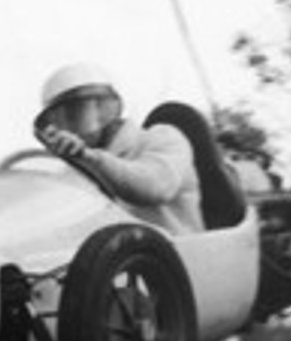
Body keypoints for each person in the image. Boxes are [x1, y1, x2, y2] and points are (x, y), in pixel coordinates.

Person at [34, 63, 204, 234]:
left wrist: (88, 157)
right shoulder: (74, 171)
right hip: (118, 258)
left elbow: (155, 187)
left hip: (186, 255)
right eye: (59, 120)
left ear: (108, 108)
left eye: (76, 114)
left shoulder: (162, 137)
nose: (69, 128)